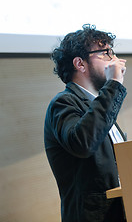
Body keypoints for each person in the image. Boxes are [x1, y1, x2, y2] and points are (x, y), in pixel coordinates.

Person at [44, 24, 127, 222]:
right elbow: (84, 143)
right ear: (80, 64)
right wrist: (114, 84)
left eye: (112, 51)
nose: (115, 59)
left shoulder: (99, 104)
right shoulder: (62, 103)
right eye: (105, 53)